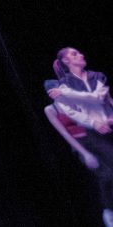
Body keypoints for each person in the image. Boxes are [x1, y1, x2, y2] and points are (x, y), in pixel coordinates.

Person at [48, 47, 113, 227]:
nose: (81, 54)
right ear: (66, 61)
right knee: (109, 171)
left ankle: (109, 209)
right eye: (74, 54)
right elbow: (71, 112)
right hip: (90, 132)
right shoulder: (64, 84)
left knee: (108, 173)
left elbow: (99, 98)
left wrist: (69, 94)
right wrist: (94, 123)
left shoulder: (97, 76)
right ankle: (109, 209)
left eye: (79, 52)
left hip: (108, 125)